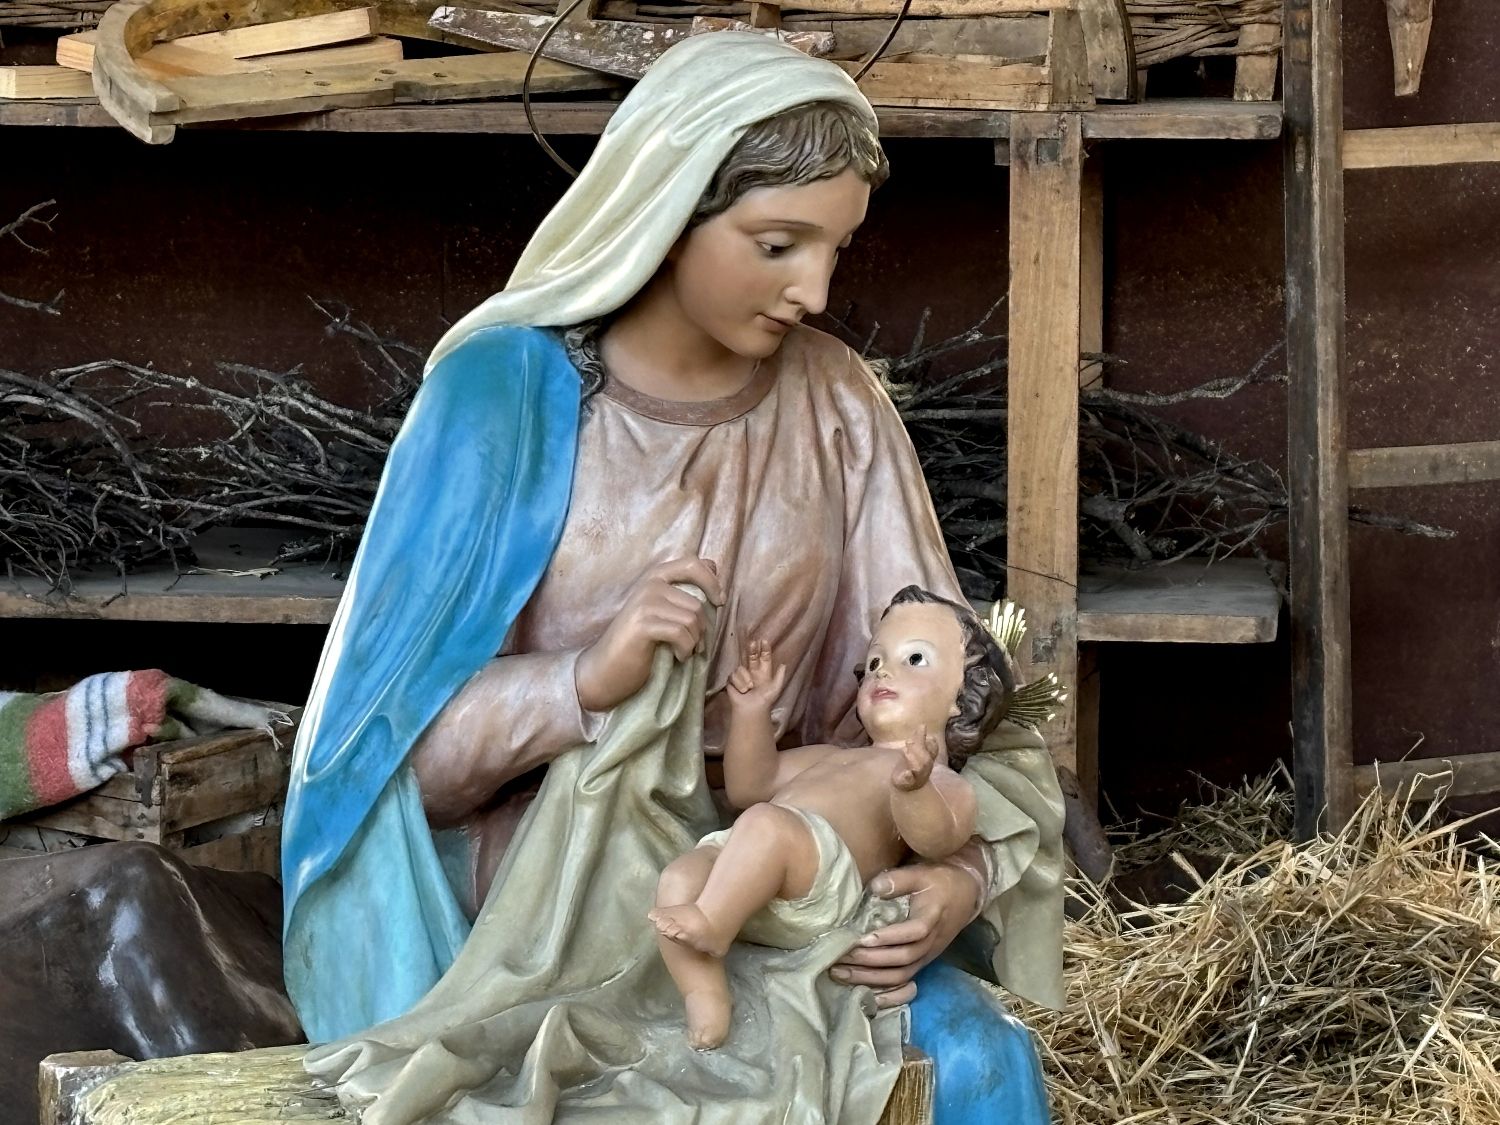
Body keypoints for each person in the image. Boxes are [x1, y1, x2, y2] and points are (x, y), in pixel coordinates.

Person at [280, 31, 1063, 1123]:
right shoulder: (499, 401)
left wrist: (959, 881)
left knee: (980, 1062)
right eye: (778, 244)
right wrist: (581, 685)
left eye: (836, 250)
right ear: (670, 203)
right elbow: (382, 775)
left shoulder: (838, 403)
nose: (813, 290)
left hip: (804, 909)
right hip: (549, 925)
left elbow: (963, 695)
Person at [651, 586, 1012, 1049]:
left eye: (915, 659)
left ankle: (713, 926)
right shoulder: (830, 756)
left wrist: (914, 788)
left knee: (764, 823)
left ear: (962, 700)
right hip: (749, 872)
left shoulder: (941, 782)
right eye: (877, 662)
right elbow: (750, 787)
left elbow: (938, 840)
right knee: (678, 877)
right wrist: (751, 713)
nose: (885, 671)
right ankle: (704, 996)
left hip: (816, 884)